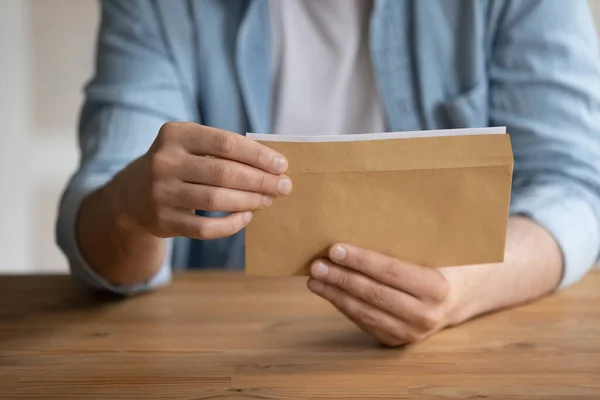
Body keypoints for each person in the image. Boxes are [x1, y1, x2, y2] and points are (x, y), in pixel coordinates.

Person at [57, 0, 600, 347]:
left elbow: (576, 186)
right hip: (222, 354)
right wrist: (130, 209)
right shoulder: (158, 9)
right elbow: (101, 222)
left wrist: (462, 291)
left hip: (466, 350)